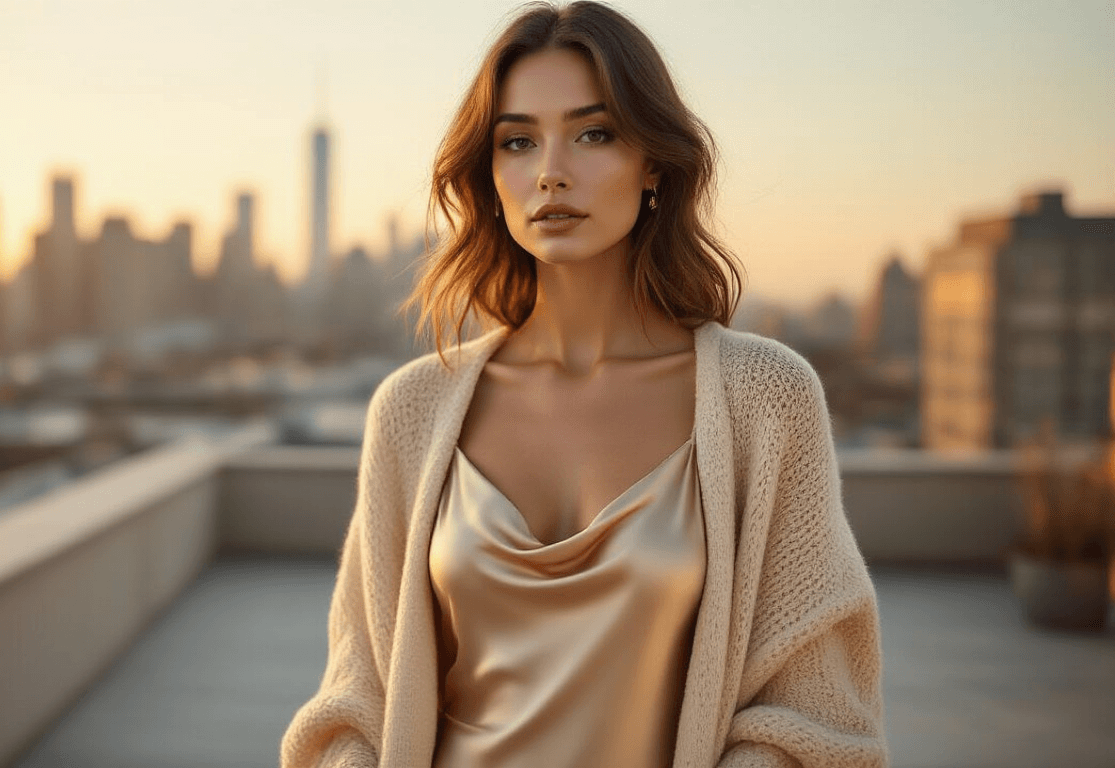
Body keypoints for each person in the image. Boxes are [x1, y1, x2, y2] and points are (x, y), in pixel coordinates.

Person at [280, 2, 888, 766]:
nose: (551, 171)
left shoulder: (766, 400)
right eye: (518, 141)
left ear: (655, 162)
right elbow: (354, 705)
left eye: (593, 133)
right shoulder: (413, 410)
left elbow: (813, 714)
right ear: (490, 175)